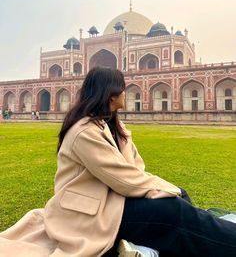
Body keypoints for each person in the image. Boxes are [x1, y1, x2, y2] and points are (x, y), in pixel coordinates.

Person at [0, 67, 236, 257]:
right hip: (90, 211)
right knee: (173, 209)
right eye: (123, 89)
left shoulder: (112, 125)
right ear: (111, 94)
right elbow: (122, 178)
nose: (126, 93)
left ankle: (145, 245)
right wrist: (162, 189)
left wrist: (161, 190)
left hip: (113, 200)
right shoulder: (84, 131)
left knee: (179, 199)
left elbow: (135, 167)